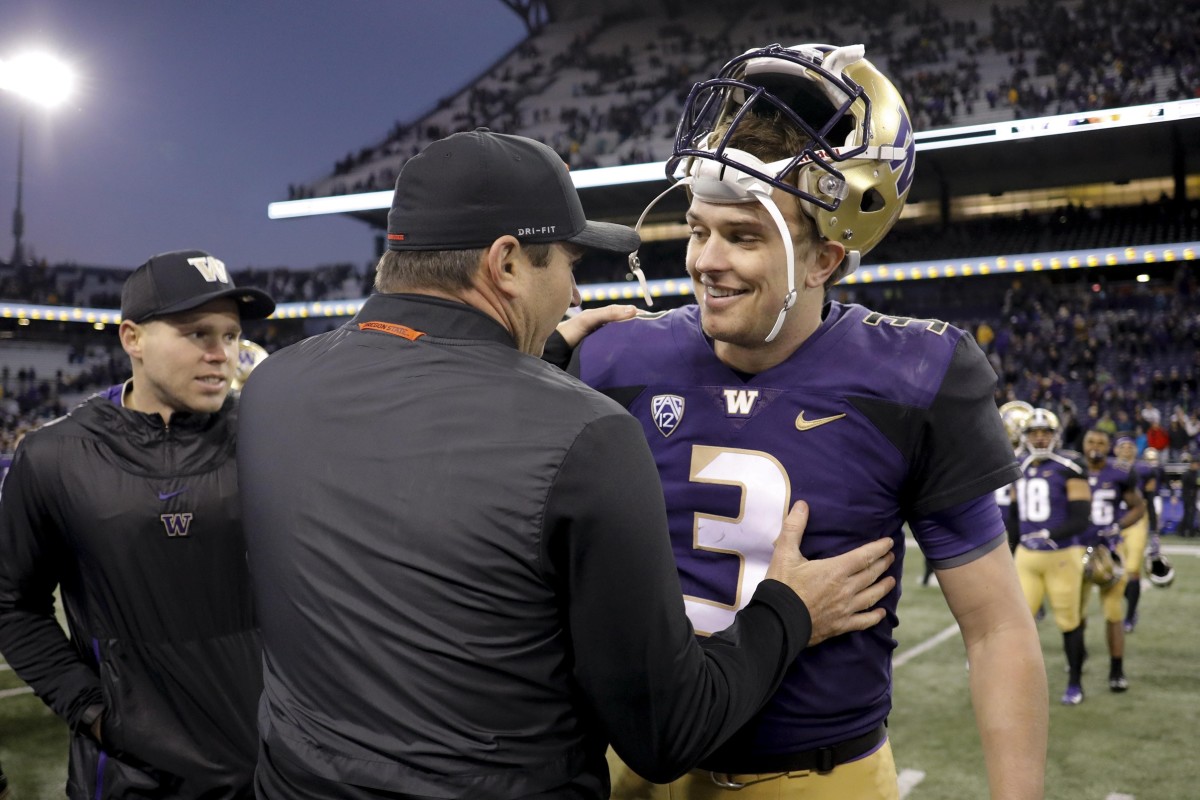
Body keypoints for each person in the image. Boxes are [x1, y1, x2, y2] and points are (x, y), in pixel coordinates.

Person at [236, 128, 898, 800]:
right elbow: (667, 733)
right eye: (568, 265)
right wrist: (788, 611)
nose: (576, 296)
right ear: (507, 264)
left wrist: (530, 366)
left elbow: (423, 488)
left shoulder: (270, 390)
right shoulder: (583, 433)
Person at [560, 43, 1046, 799]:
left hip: (820, 779)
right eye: (698, 229)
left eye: (745, 237)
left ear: (826, 258)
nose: (705, 261)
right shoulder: (617, 359)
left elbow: (995, 628)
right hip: (639, 771)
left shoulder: (912, 379)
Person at [0, 250, 275, 798]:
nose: (221, 354)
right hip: (127, 778)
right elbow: (13, 603)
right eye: (197, 333)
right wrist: (94, 710)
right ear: (132, 339)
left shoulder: (272, 441)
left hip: (269, 770)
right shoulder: (56, 456)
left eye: (230, 335)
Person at [1013, 408, 1093, 705]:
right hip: (1026, 557)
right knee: (1019, 622)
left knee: (1068, 621)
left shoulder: (1070, 465)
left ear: (1056, 435)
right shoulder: (1017, 464)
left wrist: (1048, 534)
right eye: (1034, 432)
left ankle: (1074, 682)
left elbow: (1081, 518)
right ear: (1026, 436)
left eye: (1045, 432)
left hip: (1062, 555)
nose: (1040, 437)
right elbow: (1013, 515)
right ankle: (1021, 683)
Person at [1079, 429, 1144, 691]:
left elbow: (1139, 507)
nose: (1095, 446)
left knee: (1114, 612)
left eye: (1101, 443)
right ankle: (1078, 655)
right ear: (1083, 444)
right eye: (1091, 441)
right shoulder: (1071, 470)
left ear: (1109, 447)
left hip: (1109, 551)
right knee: (1075, 612)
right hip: (1078, 549)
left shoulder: (1119, 473)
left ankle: (1117, 670)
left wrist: (1118, 526)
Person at [1114, 437, 1154, 631]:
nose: (1127, 449)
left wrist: (1154, 531)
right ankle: (1132, 608)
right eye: (1123, 446)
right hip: (1115, 522)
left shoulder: (1145, 469)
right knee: (1117, 572)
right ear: (1115, 450)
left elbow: (1151, 500)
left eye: (1130, 446)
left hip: (1137, 520)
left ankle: (1129, 617)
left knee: (1132, 569)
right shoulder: (1107, 468)